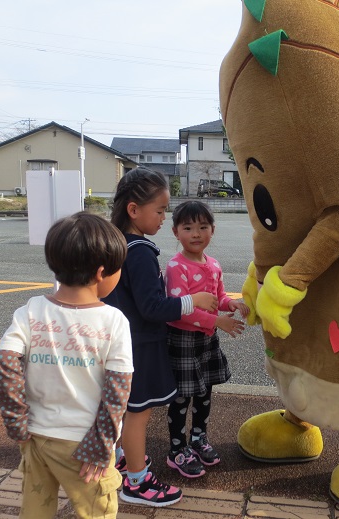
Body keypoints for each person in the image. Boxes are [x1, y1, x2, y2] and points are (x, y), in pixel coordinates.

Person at [0, 211, 133, 519]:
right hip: (85, 444)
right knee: (96, 512)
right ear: (100, 273)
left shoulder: (31, 311)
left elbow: (4, 363)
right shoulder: (113, 320)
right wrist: (101, 444)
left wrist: (16, 420)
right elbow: (118, 390)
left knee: (35, 510)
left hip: (36, 438)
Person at [102, 168, 217, 507]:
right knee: (138, 413)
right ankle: (137, 482)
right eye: (160, 210)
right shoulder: (139, 249)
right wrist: (191, 301)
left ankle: (123, 456)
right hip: (139, 345)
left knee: (123, 409)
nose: (163, 217)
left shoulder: (113, 241)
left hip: (118, 340)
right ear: (134, 210)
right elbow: (152, 306)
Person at [164, 201, 249, 478]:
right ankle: (177, 449)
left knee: (204, 391)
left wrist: (231, 304)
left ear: (213, 230)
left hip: (206, 339)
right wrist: (219, 322)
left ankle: (199, 439)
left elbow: (218, 297)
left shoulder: (214, 265)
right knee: (181, 397)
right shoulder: (176, 266)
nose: (196, 233)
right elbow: (183, 310)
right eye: (188, 228)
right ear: (176, 232)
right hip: (183, 338)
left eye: (202, 227)